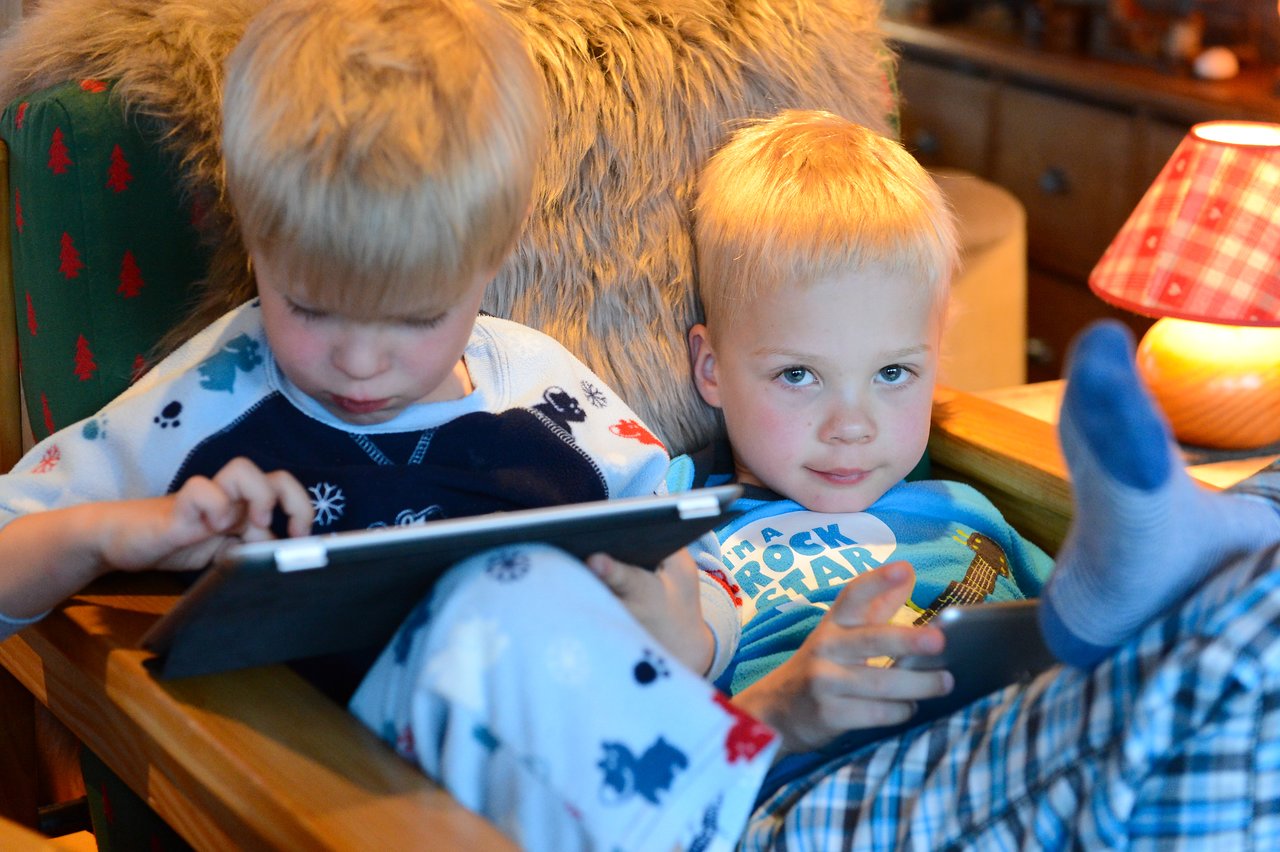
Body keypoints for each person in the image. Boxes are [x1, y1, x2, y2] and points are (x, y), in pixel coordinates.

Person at [0, 1, 779, 849]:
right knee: (504, 595)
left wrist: (687, 633)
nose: (362, 363)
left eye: (415, 317)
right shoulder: (211, 400)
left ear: (493, 255)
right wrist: (114, 532)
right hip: (337, 801)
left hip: (590, 791)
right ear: (254, 239)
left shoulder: (551, 396)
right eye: (311, 308)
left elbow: (686, 550)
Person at [598, 108, 1280, 848]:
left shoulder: (965, 509)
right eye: (798, 374)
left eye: (893, 372)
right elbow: (628, 770)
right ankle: (1228, 543)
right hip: (822, 802)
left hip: (1026, 754)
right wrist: (782, 708)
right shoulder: (683, 522)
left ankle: (1202, 561)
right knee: (1246, 636)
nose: (851, 424)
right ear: (711, 369)